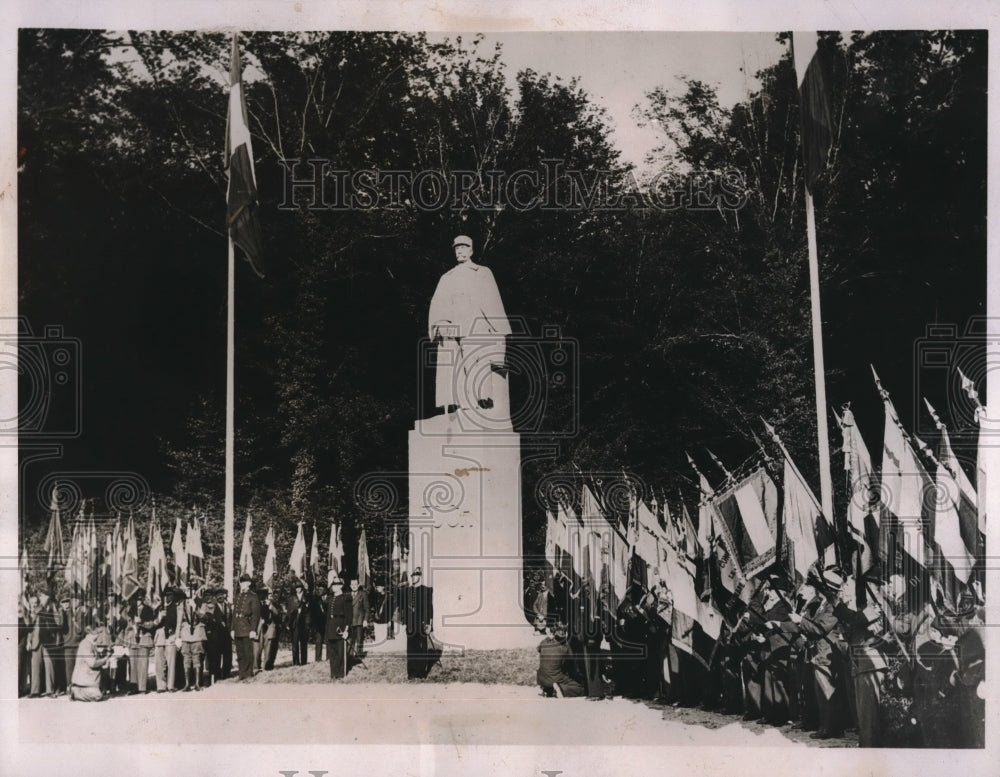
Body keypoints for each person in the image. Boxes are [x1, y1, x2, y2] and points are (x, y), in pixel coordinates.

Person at [428, 234, 512, 412]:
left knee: (478, 361)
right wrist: (441, 322)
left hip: (476, 326)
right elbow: (438, 303)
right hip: (453, 328)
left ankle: (483, 398)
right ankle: (460, 403)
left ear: (471, 250)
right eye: (457, 248)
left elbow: (493, 301)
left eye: (464, 247)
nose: (460, 250)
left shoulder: (482, 272)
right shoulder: (447, 277)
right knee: (455, 366)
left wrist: (500, 329)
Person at [404, 567, 437, 679]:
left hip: (422, 624)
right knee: (411, 648)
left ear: (420, 576)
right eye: (412, 575)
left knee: (422, 648)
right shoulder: (407, 591)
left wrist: (430, 624)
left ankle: (421, 672)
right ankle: (412, 672)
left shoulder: (426, 590)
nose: (414, 577)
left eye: (416, 575)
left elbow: (430, 609)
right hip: (410, 625)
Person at [537, 622, 585, 698]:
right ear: (565, 633)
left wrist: (549, 638)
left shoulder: (544, 642)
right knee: (580, 688)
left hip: (540, 678)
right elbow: (571, 662)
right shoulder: (565, 647)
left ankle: (547, 689)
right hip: (554, 677)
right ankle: (561, 690)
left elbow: (538, 649)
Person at [69, 626, 114, 702]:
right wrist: (105, 659)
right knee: (98, 696)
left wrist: (104, 654)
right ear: (91, 633)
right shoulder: (86, 644)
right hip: (84, 681)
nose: (99, 635)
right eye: (98, 633)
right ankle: (76, 692)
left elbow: (94, 658)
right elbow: (92, 663)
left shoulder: (89, 643)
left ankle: (79, 690)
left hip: (87, 680)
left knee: (99, 693)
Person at [231, 573, 261, 681]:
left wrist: (253, 629)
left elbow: (255, 615)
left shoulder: (253, 596)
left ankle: (248, 673)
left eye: (244, 582)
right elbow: (234, 614)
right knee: (240, 652)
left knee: (248, 652)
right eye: (241, 582)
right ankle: (241, 673)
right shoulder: (238, 597)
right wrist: (232, 629)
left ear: (248, 583)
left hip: (247, 627)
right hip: (238, 628)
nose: (242, 584)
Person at [178, 593, 207, 691]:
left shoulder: (201, 602)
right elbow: (179, 621)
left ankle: (197, 683)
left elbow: (203, 616)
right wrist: (178, 636)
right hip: (186, 633)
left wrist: (195, 607)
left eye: (195, 588)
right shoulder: (182, 603)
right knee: (186, 658)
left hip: (197, 634)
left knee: (197, 658)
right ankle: (187, 684)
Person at [325, 578, 351, 679]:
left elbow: (349, 616)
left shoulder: (346, 598)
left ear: (341, 586)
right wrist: (327, 630)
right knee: (332, 652)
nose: (334, 587)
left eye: (336, 585)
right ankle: (333, 673)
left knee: (340, 651)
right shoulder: (331, 598)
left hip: (340, 626)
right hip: (331, 627)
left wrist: (346, 630)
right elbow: (328, 616)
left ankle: (340, 674)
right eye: (333, 585)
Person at [286, 579, 310, 666]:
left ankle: (304, 661)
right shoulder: (292, 598)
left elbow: (309, 612)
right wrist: (288, 623)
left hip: (303, 623)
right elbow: (289, 612)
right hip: (294, 623)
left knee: (303, 643)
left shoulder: (306, 597)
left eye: (299, 587)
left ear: (302, 588)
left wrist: (308, 623)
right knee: (295, 643)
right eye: (296, 588)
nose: (298, 589)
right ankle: (295, 662)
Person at [259, 588, 281, 671]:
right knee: (258, 649)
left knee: (269, 649)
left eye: (271, 594)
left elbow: (278, 614)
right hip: (260, 629)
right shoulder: (259, 603)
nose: (270, 595)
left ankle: (267, 666)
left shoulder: (275, 604)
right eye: (268, 594)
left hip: (271, 629)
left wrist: (271, 606)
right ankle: (257, 666)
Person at [348, 578, 370, 659]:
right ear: (350, 586)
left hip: (359, 621)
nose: (354, 586)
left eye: (355, 584)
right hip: (350, 621)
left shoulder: (363, 594)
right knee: (350, 639)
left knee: (359, 639)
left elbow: (367, 609)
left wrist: (365, 620)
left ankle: (359, 657)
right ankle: (349, 656)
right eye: (352, 584)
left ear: (358, 585)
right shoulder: (347, 595)